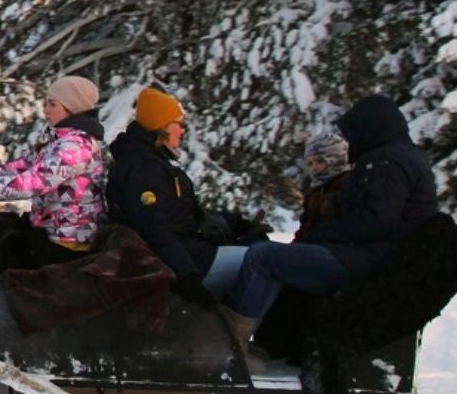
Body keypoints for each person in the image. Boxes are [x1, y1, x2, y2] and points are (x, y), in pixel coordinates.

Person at [223, 94, 438, 331]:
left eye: (353, 131)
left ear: (369, 127)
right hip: (377, 257)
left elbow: (376, 220)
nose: (350, 138)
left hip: (369, 260)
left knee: (262, 257)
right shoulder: (400, 156)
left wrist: (319, 238)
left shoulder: (386, 160)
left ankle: (230, 341)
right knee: (273, 255)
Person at [104, 86, 261, 305]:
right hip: (188, 264)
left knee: (258, 246)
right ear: (162, 126)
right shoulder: (143, 168)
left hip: (192, 254)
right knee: (268, 260)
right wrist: (187, 276)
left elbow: (181, 213)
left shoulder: (152, 162)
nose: (182, 131)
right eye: (178, 124)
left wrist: (233, 223)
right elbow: (153, 228)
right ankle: (240, 329)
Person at [0, 75, 108, 267]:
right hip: (50, 231)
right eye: (45, 103)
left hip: (68, 243)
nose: (45, 109)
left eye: (52, 104)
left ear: (71, 108)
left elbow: (33, 182)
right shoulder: (61, 142)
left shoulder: (75, 147)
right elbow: (18, 168)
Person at [296, 130, 349, 239]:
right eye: (310, 163)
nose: (314, 168)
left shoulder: (349, 186)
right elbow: (303, 236)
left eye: (320, 161)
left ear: (337, 159)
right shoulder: (315, 192)